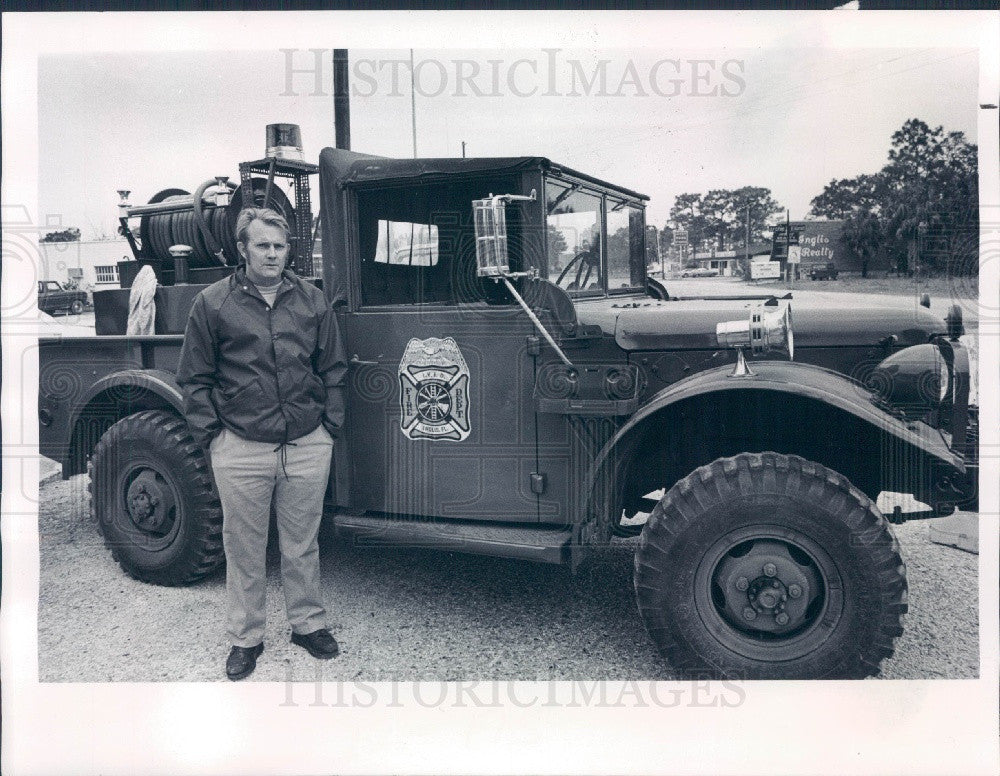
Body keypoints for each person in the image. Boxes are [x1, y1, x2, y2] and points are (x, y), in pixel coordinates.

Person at [177, 207, 347, 680]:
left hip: (307, 442)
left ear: (288, 250)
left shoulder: (313, 301)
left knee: (302, 542)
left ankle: (307, 624)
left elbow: (332, 368)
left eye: (280, 245)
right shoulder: (212, 303)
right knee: (244, 545)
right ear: (243, 249)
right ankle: (246, 638)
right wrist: (215, 438)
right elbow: (194, 378)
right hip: (241, 446)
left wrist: (328, 426)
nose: (272, 254)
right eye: (262, 245)